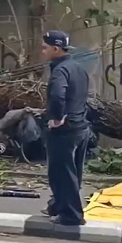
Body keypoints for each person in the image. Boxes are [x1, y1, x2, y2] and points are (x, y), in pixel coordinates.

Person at [41, 30, 90, 226]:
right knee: (73, 173)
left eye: (45, 48)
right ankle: (59, 206)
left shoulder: (60, 70)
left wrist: (56, 118)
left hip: (65, 129)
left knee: (61, 173)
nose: (42, 51)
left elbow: (58, 96)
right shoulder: (78, 67)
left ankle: (71, 215)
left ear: (56, 48)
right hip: (81, 127)